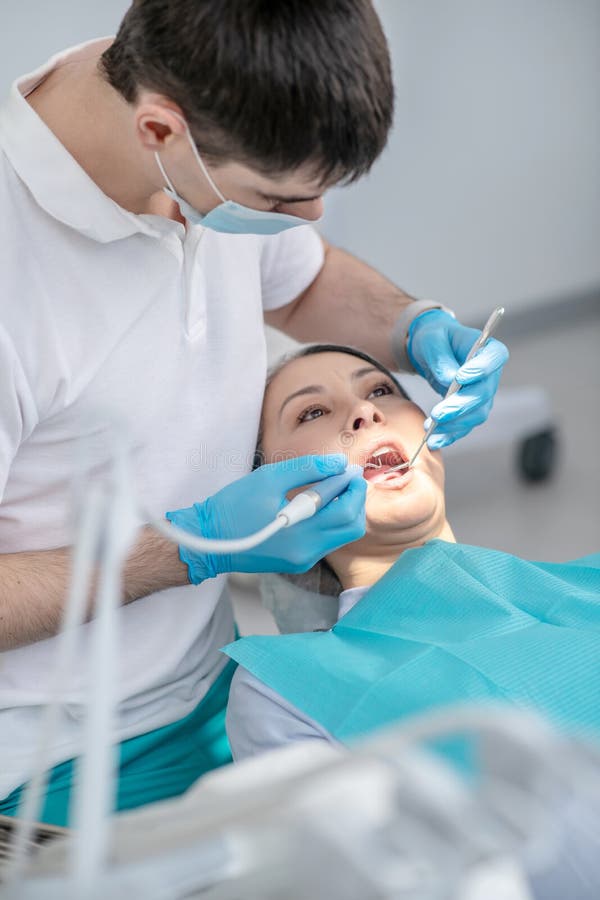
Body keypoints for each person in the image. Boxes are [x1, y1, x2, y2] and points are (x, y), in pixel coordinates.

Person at [0, 1, 508, 824]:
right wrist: (188, 549)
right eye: (278, 199)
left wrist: (412, 326)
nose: (305, 222)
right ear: (159, 133)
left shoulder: (201, 119)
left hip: (215, 684)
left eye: (381, 393)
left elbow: (300, 279)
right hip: (52, 760)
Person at [225, 345, 600, 760]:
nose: (364, 410)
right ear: (272, 497)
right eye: (312, 412)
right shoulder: (284, 692)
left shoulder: (586, 585)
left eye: (382, 390)